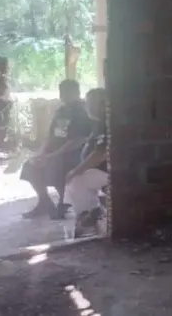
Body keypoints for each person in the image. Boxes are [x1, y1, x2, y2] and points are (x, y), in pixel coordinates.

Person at [19, 79, 92, 219]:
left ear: (76, 92)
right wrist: (42, 152)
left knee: (57, 166)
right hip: (54, 153)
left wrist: (52, 156)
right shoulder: (61, 111)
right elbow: (50, 135)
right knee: (30, 165)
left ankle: (63, 202)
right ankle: (44, 202)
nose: (62, 95)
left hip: (74, 154)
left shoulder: (82, 112)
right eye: (61, 92)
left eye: (66, 92)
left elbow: (76, 142)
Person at [64, 88, 108, 235]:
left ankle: (91, 215)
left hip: (110, 171)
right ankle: (90, 215)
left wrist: (76, 170)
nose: (87, 106)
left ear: (103, 104)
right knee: (75, 180)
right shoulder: (97, 122)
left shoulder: (106, 123)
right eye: (87, 102)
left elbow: (100, 154)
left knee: (77, 180)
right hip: (99, 170)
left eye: (91, 103)